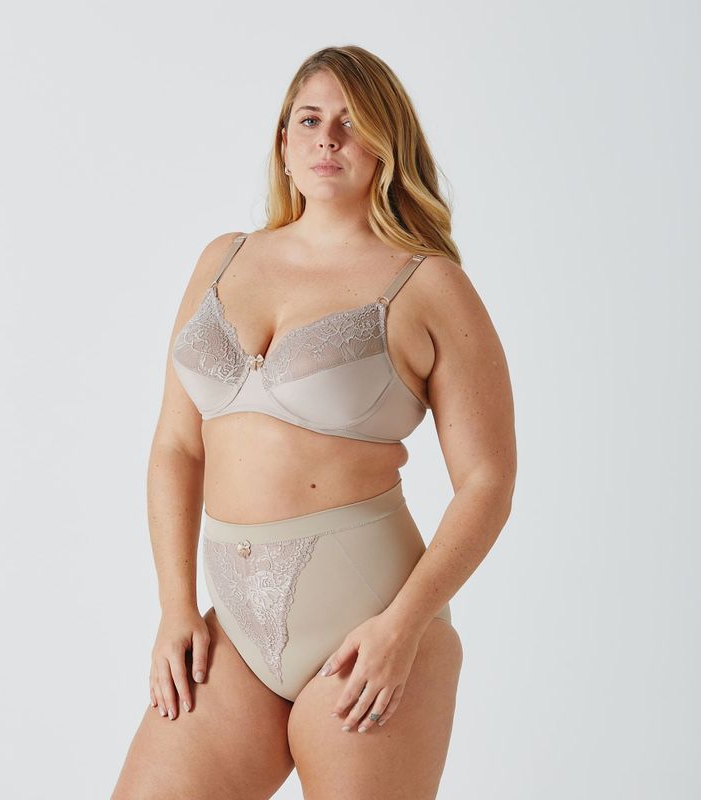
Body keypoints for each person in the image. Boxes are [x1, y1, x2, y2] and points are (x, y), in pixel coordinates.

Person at [111, 44, 516, 800]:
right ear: (284, 140)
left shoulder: (428, 283)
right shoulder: (223, 259)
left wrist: (403, 627)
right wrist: (174, 607)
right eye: (310, 119)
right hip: (231, 634)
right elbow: (176, 446)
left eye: (352, 122)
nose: (328, 138)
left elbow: (488, 480)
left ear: (387, 144)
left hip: (372, 627)